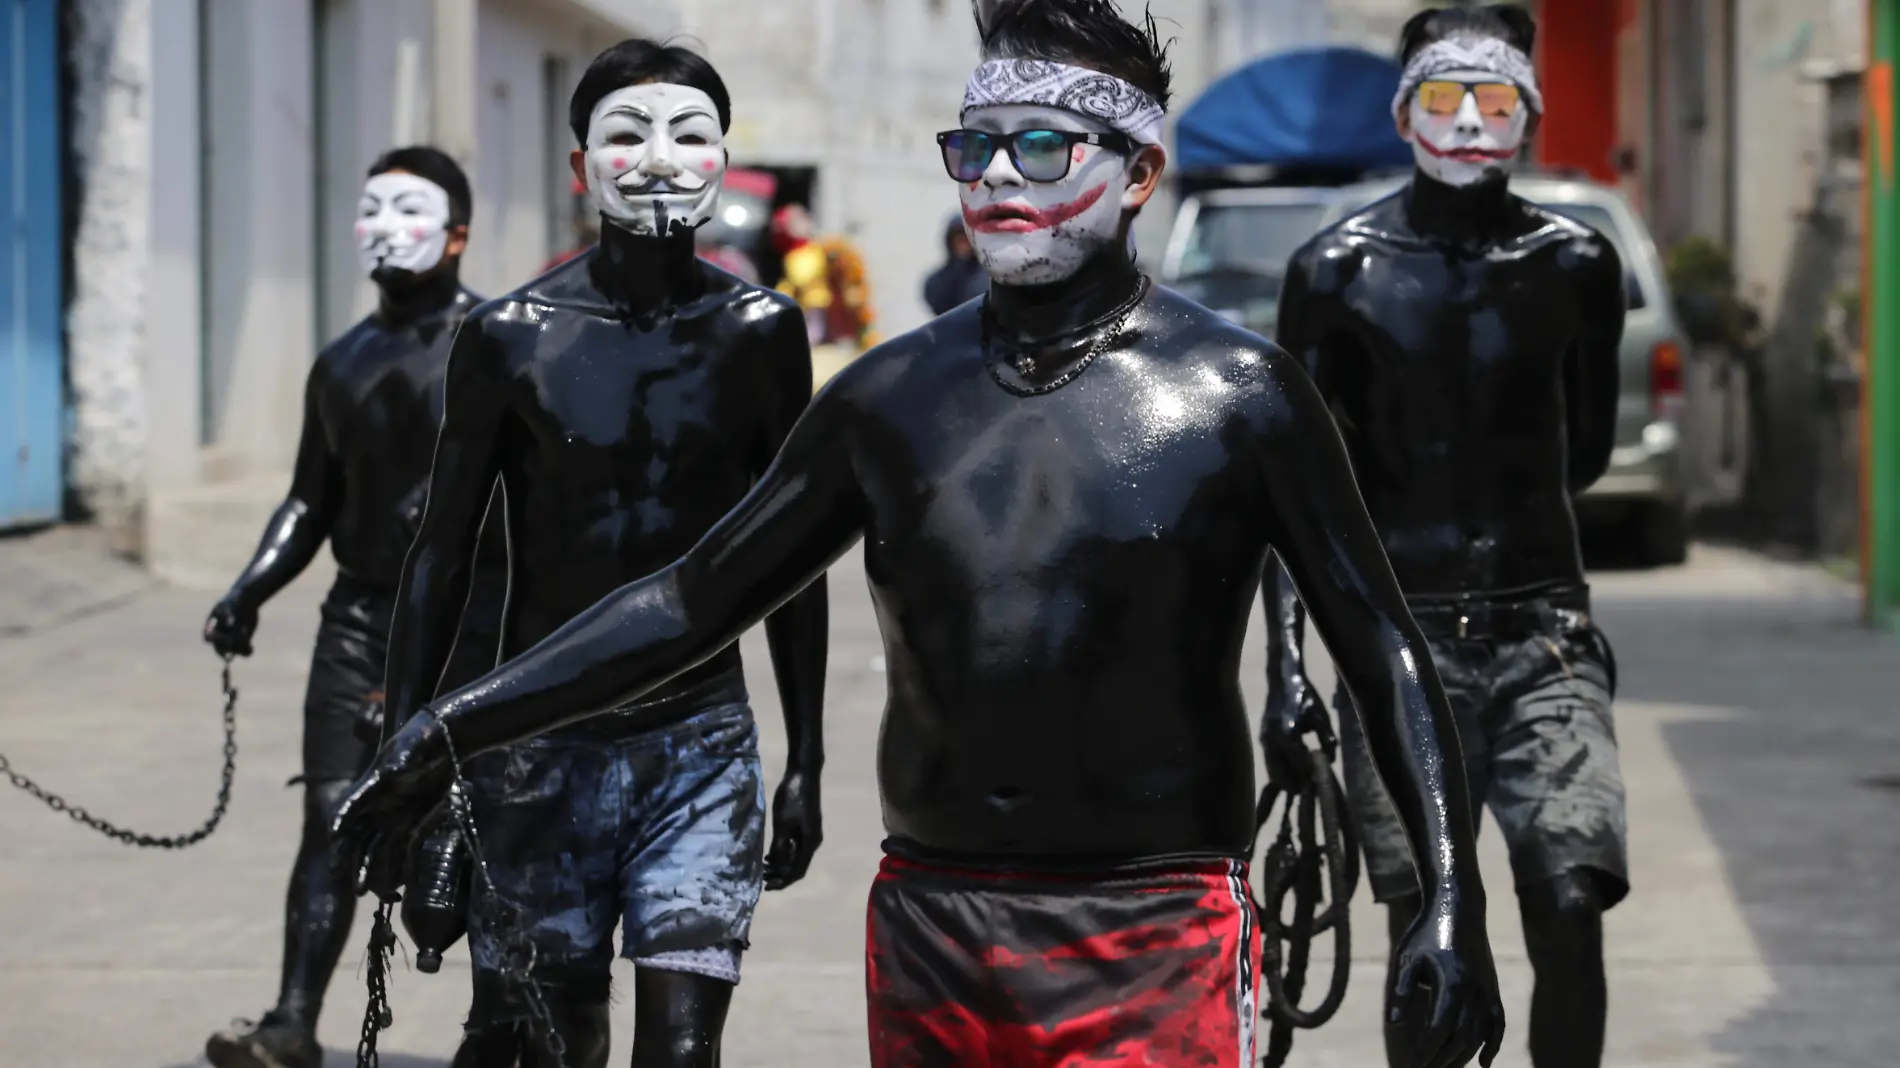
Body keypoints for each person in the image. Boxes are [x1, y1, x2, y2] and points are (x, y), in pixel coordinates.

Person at [336, 3, 1505, 1067]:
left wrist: (1452, 894)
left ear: (1139, 170)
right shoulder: (885, 400)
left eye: (1041, 146)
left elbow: (1382, 645)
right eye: (975, 146)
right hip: (932, 917)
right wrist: (443, 729)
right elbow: (696, 600)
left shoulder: (1241, 395)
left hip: (1153, 920)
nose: (998, 176)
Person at [360, 39, 828, 1068]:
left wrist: (809, 758)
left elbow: (793, 558)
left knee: (682, 1044)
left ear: (722, 156)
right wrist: (409, 753)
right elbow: (441, 554)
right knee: (555, 1039)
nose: (658, 160)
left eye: (688, 134)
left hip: (702, 740)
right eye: (626, 135)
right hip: (537, 747)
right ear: (580, 167)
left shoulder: (762, 332)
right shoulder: (508, 337)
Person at [1261, 6, 1627, 1068]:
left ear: (1529, 114)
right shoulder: (1336, 271)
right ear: (1403, 111)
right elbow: (1295, 499)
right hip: (1396, 649)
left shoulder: (1574, 265)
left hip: (1545, 637)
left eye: (1495, 99)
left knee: (1569, 898)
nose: (1468, 122)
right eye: (1441, 97)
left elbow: (1586, 453)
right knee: (1424, 919)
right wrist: (1288, 675)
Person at [201, 146, 507, 1068]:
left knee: (489, 826)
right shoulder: (340, 364)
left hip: (474, 622)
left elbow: (546, 484)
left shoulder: (498, 342)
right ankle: (294, 1019)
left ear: (457, 233)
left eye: (407, 210)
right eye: (369, 209)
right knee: (333, 816)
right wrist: (249, 588)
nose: (382, 228)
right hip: (360, 620)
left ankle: (498, 1031)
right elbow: (309, 500)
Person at [921, 214, 986, 315]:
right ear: (950, 242)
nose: (963, 244)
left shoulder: (988, 278)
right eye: (959, 239)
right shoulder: (936, 281)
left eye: (966, 238)